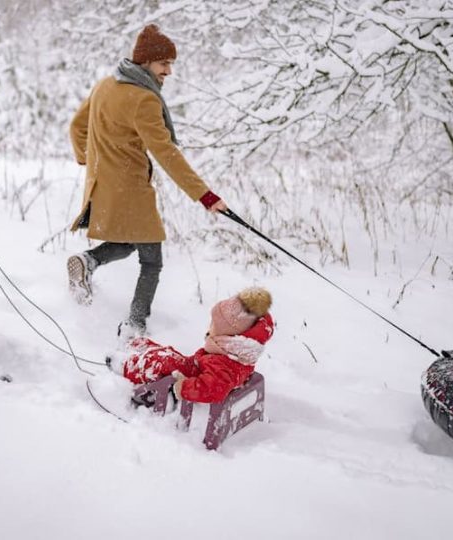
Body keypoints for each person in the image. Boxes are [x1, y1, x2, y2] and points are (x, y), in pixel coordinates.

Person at [66, 23, 228, 338]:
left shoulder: (105, 85)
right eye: (164, 63)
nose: (169, 70)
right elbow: (166, 153)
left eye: (171, 63)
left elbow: (76, 127)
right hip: (131, 187)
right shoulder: (145, 100)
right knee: (151, 260)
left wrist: (88, 161)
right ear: (145, 62)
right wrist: (205, 196)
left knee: (127, 242)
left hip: (103, 182)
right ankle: (135, 327)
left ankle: (87, 262)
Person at [116, 287, 274, 404]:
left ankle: (124, 366)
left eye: (214, 325)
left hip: (190, 377)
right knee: (167, 353)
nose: (210, 327)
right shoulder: (235, 353)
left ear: (229, 335)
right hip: (195, 369)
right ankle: (134, 344)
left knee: (161, 362)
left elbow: (212, 390)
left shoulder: (224, 364)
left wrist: (183, 387)